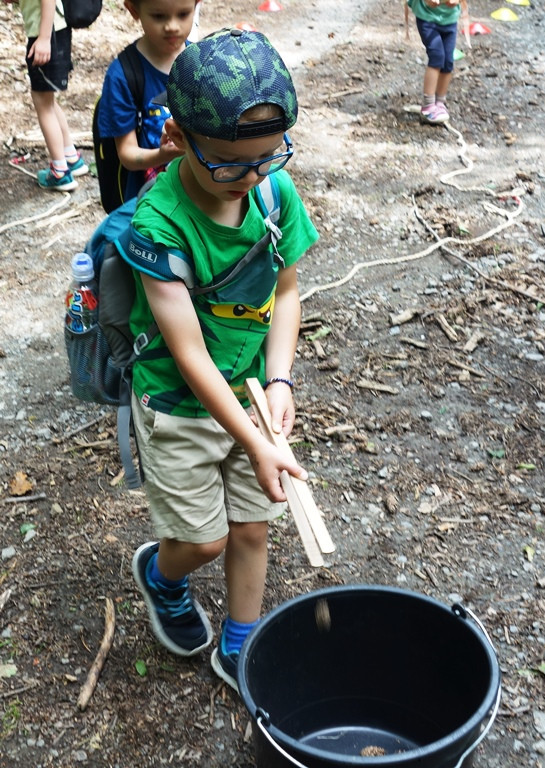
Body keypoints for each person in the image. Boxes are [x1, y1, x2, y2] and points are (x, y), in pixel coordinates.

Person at [123, 27, 319, 690]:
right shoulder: (159, 225)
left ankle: (240, 644)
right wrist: (256, 442)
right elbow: (188, 354)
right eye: (231, 164)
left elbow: (285, 290)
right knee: (202, 540)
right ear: (178, 137)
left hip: (251, 390)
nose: (253, 177)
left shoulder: (272, 191)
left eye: (269, 156)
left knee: (252, 528)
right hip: (180, 402)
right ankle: (161, 574)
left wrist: (280, 377)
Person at [96, 0, 200, 205]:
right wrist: (162, 155)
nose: (172, 26)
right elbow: (127, 154)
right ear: (134, 10)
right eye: (159, 16)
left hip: (199, 194)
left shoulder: (201, 61)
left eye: (183, 14)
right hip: (150, 201)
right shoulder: (123, 76)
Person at [8, 0, 88, 190]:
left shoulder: (45, 36)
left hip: (46, 35)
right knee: (47, 100)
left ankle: (60, 172)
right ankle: (70, 157)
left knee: (42, 103)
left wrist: (44, 39)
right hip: (54, 31)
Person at [407, 0, 461, 125]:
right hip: (427, 18)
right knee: (437, 56)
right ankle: (428, 105)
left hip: (450, 19)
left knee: (448, 61)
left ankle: (440, 103)